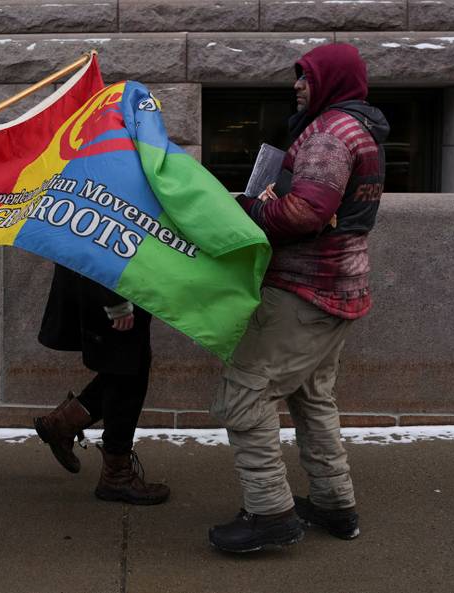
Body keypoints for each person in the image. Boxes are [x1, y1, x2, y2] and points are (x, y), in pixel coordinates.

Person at [207, 43, 389, 552]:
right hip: (339, 289)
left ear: (329, 80)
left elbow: (306, 212)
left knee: (244, 393)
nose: (297, 85)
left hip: (306, 291)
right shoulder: (360, 127)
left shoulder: (331, 133)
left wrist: (249, 212)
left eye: (305, 77)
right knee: (312, 399)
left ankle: (270, 515)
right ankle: (335, 504)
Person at [33, 264, 169, 505]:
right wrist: (115, 301)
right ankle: (116, 475)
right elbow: (98, 242)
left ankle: (61, 425)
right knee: (126, 371)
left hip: (113, 281)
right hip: (109, 283)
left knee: (128, 367)